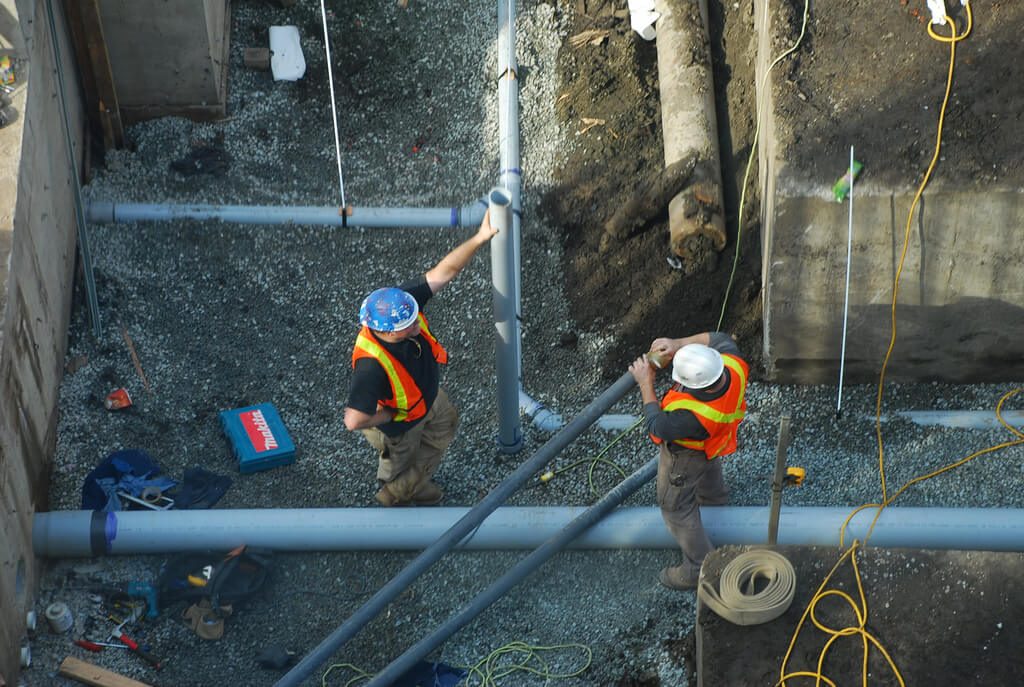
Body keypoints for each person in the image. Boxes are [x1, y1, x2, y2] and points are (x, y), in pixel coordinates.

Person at [344, 211, 498, 506]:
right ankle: (396, 496)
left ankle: (413, 483)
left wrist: (480, 237)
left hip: (426, 399)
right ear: (387, 332)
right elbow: (353, 420)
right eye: (408, 325)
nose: (417, 324)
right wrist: (390, 416)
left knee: (445, 421)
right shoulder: (371, 366)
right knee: (400, 463)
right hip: (402, 426)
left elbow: (444, 271)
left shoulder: (402, 303)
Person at [628, 331, 749, 589]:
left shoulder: (689, 417)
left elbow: (657, 425)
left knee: (675, 507)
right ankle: (714, 504)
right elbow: (719, 339)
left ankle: (698, 567)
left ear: (692, 386)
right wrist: (677, 343)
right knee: (708, 472)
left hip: (684, 458)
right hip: (713, 444)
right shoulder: (734, 365)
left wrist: (646, 383)